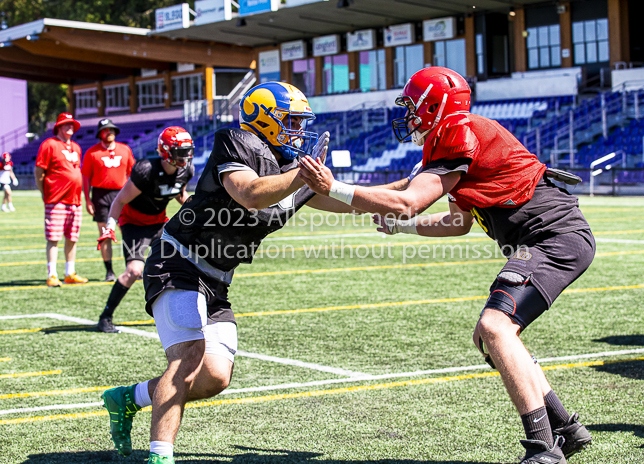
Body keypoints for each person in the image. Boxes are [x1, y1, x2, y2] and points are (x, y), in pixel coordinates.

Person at [298, 67, 594, 464]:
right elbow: (457, 223)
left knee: (495, 327)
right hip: (541, 240)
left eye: (411, 106)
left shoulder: (459, 132)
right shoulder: (454, 141)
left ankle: (544, 448)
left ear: (434, 106)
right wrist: (398, 225)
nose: (406, 115)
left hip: (553, 236)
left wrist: (335, 188)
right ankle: (566, 429)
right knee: (487, 338)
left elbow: (408, 200)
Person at [99, 82, 376, 463]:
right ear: (265, 119)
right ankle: (160, 457)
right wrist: (301, 175)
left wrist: (405, 194)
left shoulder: (287, 167)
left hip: (217, 279)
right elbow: (250, 192)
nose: (298, 131)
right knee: (187, 356)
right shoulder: (236, 141)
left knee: (215, 376)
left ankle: (128, 399)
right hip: (177, 260)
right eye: (291, 121)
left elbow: (343, 196)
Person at [95, 126, 195, 334]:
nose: (185, 156)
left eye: (187, 150)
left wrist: (196, 213)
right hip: (135, 224)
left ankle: (177, 314)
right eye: (180, 151)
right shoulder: (146, 170)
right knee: (134, 271)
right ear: (166, 151)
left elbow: (180, 194)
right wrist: (110, 226)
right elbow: (120, 200)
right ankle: (106, 316)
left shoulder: (186, 170)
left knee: (184, 264)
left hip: (160, 223)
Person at [34, 113, 88, 287]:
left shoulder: (76, 147)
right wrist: (44, 192)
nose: (69, 127)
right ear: (58, 127)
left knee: (72, 237)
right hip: (56, 199)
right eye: (66, 124)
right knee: (54, 237)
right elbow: (39, 171)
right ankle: (52, 274)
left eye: (71, 125)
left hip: (75, 200)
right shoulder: (49, 144)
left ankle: (69, 272)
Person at [82, 119, 135, 282]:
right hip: (100, 196)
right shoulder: (92, 153)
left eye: (111, 129)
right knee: (105, 234)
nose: (109, 132)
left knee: (127, 231)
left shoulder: (125, 149)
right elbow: (85, 178)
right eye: (105, 130)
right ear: (100, 134)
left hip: (123, 193)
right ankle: (109, 271)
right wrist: (88, 200)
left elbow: (134, 174)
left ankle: (132, 267)